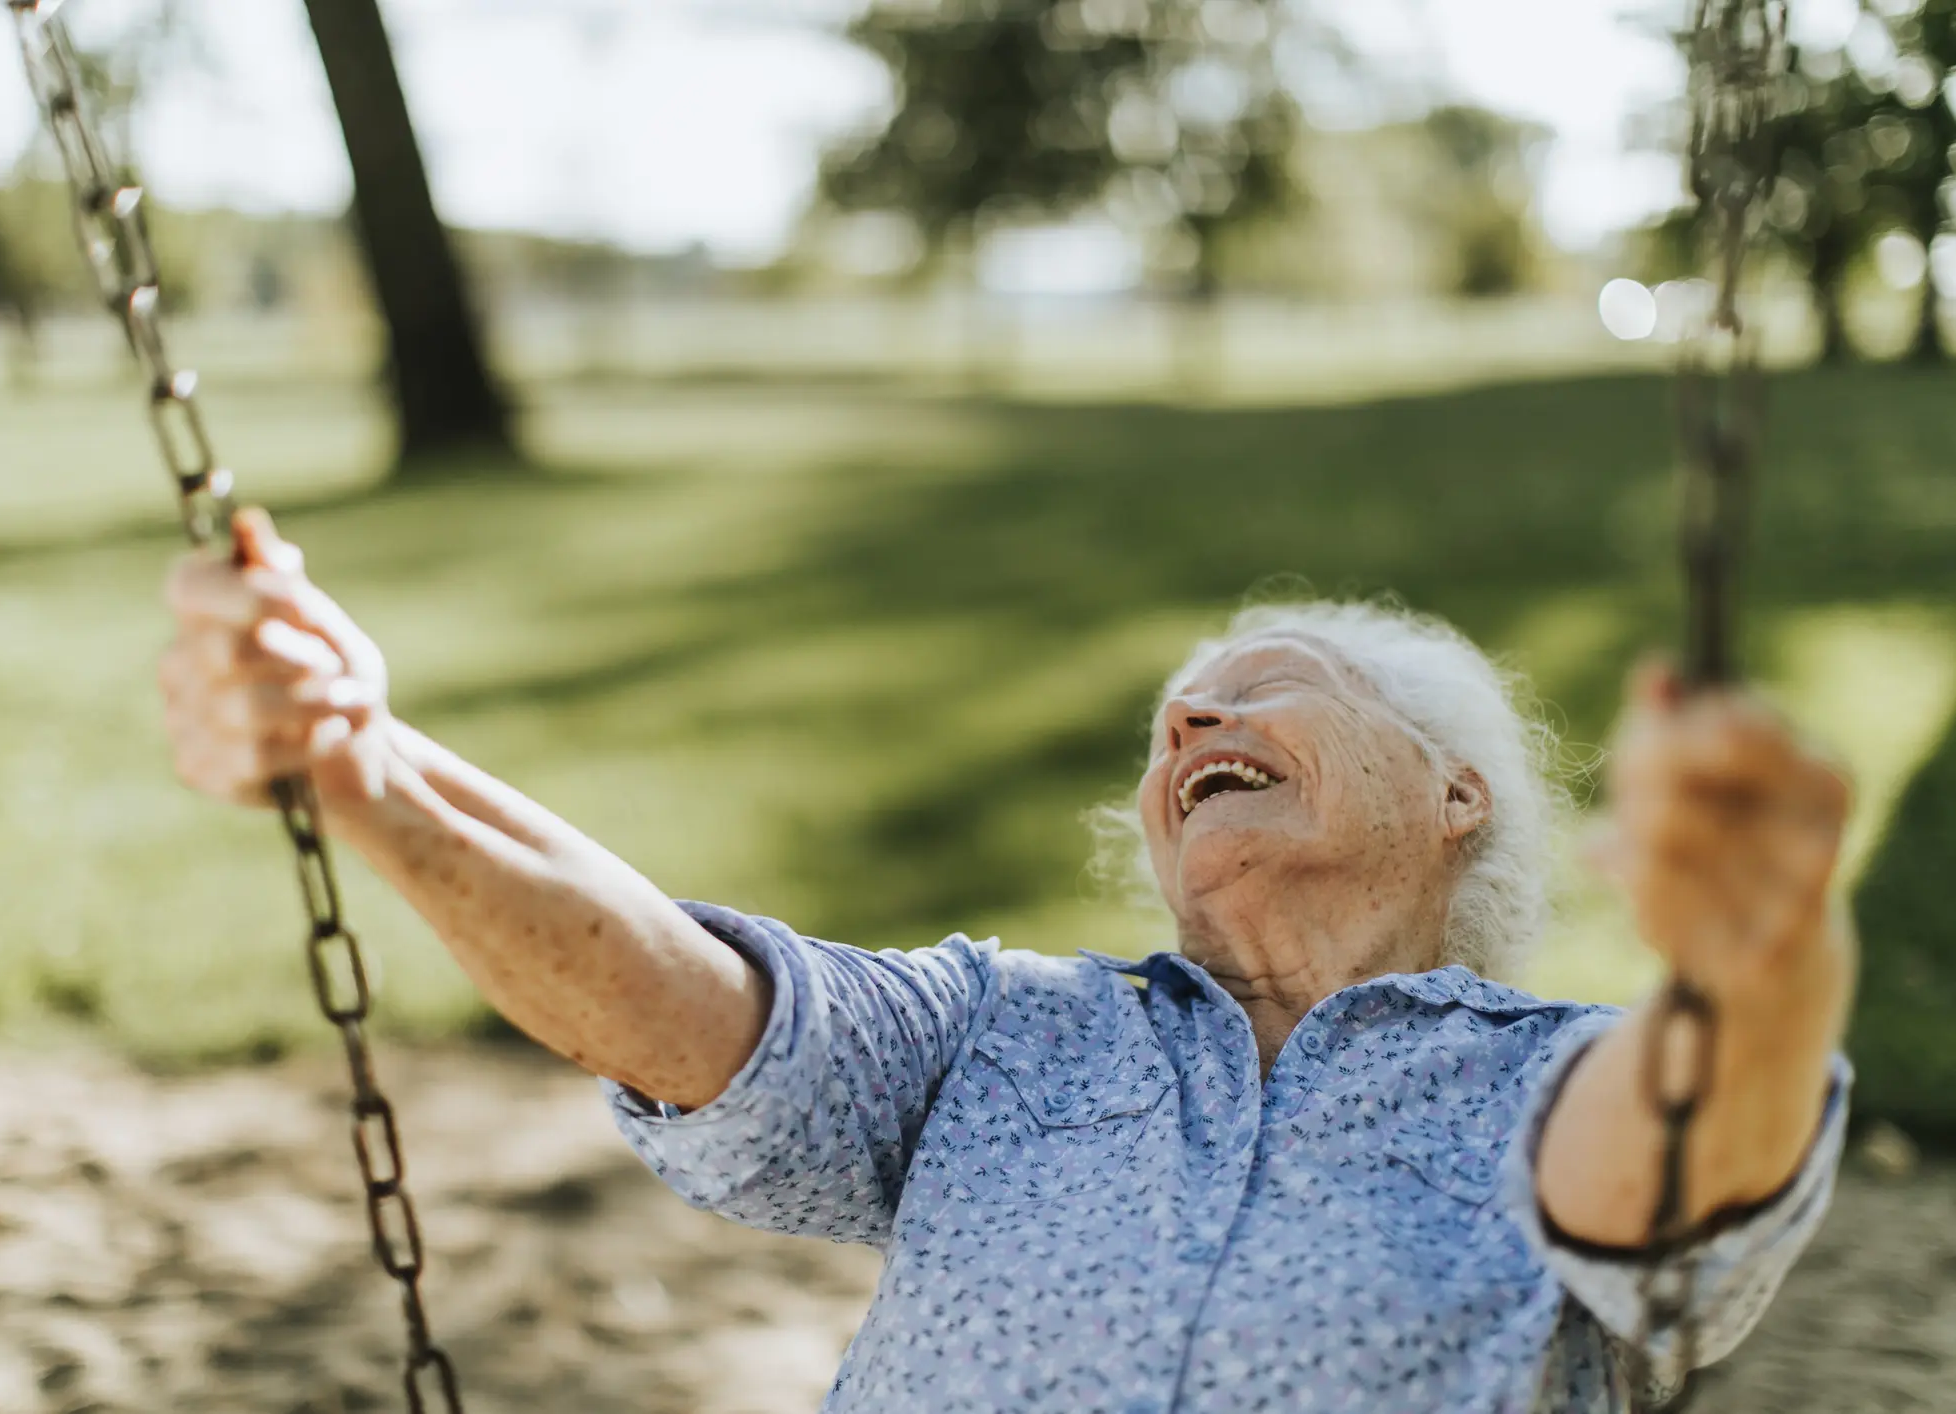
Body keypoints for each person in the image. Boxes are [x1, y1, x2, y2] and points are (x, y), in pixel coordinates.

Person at [159, 510, 1853, 1413]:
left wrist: (1760, 957)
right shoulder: (1008, 1030)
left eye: (1270, 684)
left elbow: (1687, 1150)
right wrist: (362, 761)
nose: (1195, 714)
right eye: (1174, 719)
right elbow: (692, 1003)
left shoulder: (1541, 1075)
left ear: (1455, 791)